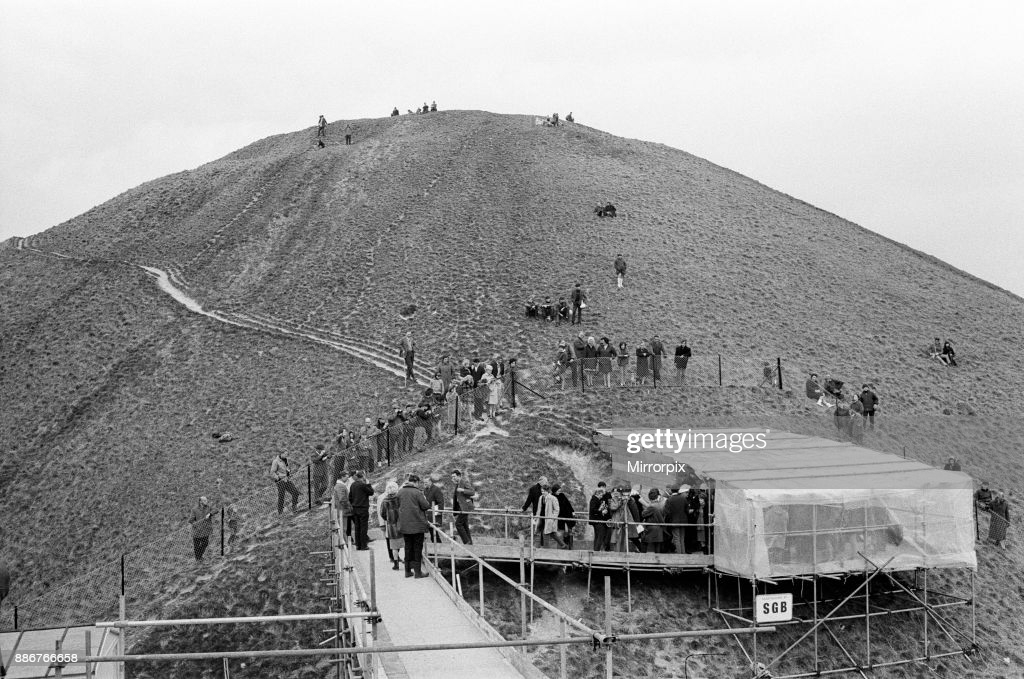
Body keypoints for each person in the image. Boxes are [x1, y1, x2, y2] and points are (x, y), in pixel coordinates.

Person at [398, 474, 432, 577]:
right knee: (417, 548)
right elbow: (426, 506)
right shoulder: (417, 493)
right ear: (416, 482)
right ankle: (418, 572)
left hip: (405, 526)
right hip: (417, 526)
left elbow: (397, 505)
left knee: (408, 548)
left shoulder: (400, 492)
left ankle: (407, 571)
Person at [379, 481, 403, 569]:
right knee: (406, 543)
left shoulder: (385, 500)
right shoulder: (400, 498)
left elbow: (382, 513)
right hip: (401, 524)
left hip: (391, 527)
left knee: (394, 546)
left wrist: (388, 519)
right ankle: (408, 562)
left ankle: (396, 564)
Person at [348, 471, 374, 550]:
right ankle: (363, 545)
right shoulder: (363, 485)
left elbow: (350, 497)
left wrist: (353, 504)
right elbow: (371, 492)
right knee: (363, 527)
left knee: (357, 527)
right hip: (363, 508)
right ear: (362, 476)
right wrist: (367, 483)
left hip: (355, 508)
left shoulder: (353, 485)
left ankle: (358, 545)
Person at [451, 469, 478, 544]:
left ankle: (466, 542)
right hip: (461, 507)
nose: (453, 478)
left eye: (454, 476)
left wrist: (462, 490)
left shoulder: (464, 482)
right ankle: (470, 544)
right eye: (452, 477)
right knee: (465, 526)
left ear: (459, 476)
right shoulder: (458, 484)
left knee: (458, 524)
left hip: (465, 507)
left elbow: (472, 492)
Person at [663, 485, 688, 553]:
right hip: (683, 521)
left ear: (671, 490)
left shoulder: (669, 499)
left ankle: (680, 555)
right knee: (682, 538)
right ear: (678, 490)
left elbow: (666, 512)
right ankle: (683, 553)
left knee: (676, 539)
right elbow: (687, 510)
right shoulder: (683, 498)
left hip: (674, 521)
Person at [188, 496, 214, 562]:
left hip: (205, 530)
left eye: (206, 500)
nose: (206, 501)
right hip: (197, 531)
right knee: (196, 546)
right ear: (200, 502)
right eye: (205, 500)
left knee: (205, 543)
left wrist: (210, 514)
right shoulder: (194, 509)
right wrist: (197, 525)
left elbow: (216, 510)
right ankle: (198, 559)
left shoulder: (208, 507)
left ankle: (199, 557)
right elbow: (191, 520)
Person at [589, 483, 611, 551]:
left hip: (597, 520)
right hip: (596, 520)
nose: (602, 496)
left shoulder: (596, 499)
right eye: (601, 495)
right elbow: (593, 510)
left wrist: (601, 510)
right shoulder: (594, 499)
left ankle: (596, 549)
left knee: (598, 535)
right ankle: (597, 550)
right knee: (600, 534)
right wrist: (601, 511)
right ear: (597, 493)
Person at [332, 471, 353, 544]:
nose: (347, 479)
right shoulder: (340, 486)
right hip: (343, 510)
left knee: (343, 528)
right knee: (343, 528)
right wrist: (349, 507)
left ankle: (345, 543)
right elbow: (342, 499)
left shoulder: (339, 485)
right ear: (342, 477)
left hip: (341, 510)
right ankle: (345, 544)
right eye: (346, 477)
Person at [552, 483, 576, 548]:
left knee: (569, 531)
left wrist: (573, 511)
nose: (559, 492)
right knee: (561, 531)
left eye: (559, 490)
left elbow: (568, 504)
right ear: (554, 491)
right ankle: (563, 546)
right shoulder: (552, 497)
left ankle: (569, 547)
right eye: (558, 491)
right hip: (559, 517)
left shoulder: (562, 495)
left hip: (567, 515)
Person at [424, 473, 446, 541]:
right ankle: (436, 546)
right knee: (432, 531)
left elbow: (441, 501)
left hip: (435, 513)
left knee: (434, 531)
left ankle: (438, 546)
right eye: (424, 482)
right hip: (429, 513)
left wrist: (440, 511)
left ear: (430, 481)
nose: (425, 484)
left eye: (426, 482)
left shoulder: (436, 489)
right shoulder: (426, 489)